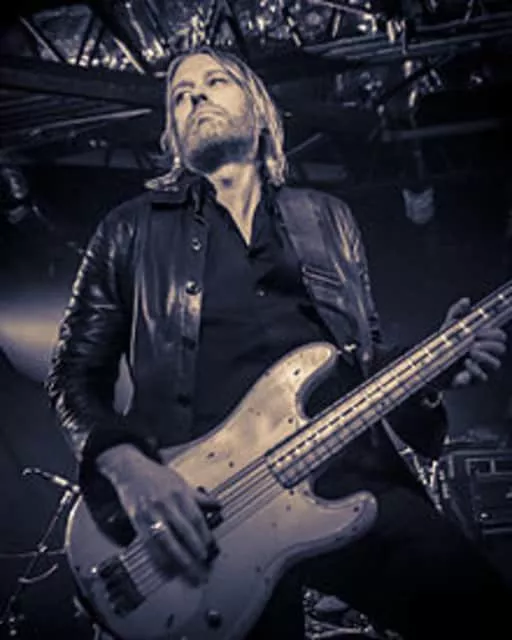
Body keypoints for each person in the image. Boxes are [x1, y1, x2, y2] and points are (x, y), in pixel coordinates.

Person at [47, 46, 510, 640]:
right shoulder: (128, 229)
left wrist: (434, 370)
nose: (195, 96)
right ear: (173, 137)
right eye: (180, 96)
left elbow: (363, 359)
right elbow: (73, 373)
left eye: (215, 81)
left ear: (260, 111)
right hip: (207, 506)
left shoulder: (328, 219)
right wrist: (128, 468)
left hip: (349, 475)